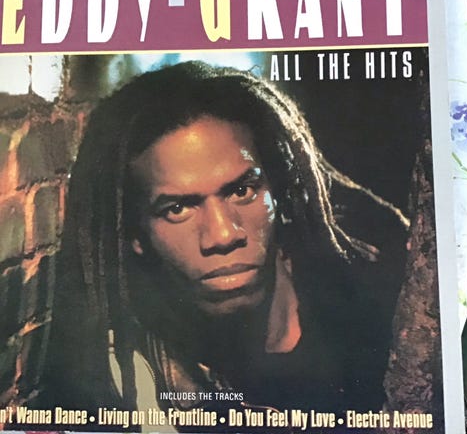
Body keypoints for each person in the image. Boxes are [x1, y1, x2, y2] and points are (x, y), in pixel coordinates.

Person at [40, 61, 407, 431]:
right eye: (177, 209)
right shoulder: (124, 371)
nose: (223, 235)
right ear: (135, 235)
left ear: (278, 191)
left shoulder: (380, 300)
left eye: (242, 191)